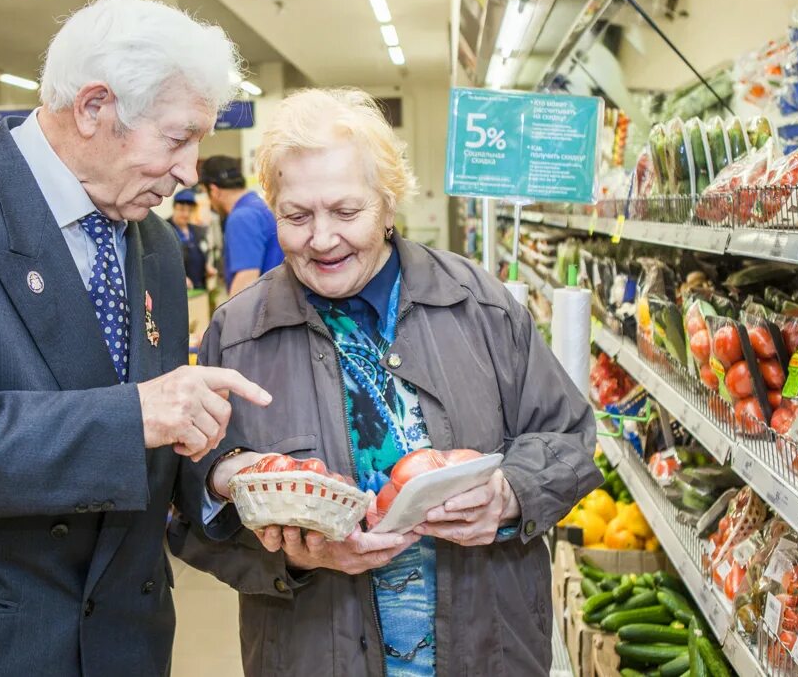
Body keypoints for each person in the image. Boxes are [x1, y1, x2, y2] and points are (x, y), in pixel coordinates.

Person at [0, 0, 272, 677]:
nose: (190, 172)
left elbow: (145, 438)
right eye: (179, 138)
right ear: (94, 107)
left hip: (123, 643)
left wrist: (224, 476)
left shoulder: (148, 241)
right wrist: (131, 417)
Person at [170, 89, 601, 676]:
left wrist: (509, 494)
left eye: (347, 212)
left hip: (487, 648)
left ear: (389, 202)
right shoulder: (239, 334)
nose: (322, 239)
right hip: (314, 653)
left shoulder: (479, 307)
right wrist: (293, 554)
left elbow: (567, 437)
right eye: (296, 216)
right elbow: (191, 508)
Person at [202, 155, 283, 297]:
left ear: (213, 190)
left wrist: (228, 318)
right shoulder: (261, 206)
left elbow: (246, 280)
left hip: (263, 311)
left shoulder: (242, 217)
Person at [169, 187, 214, 289]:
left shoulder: (197, 231)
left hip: (200, 286)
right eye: (182, 210)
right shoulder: (165, 230)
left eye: (190, 210)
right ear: (174, 208)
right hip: (178, 288)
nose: (186, 214)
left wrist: (207, 267)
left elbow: (203, 251)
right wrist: (179, 277)